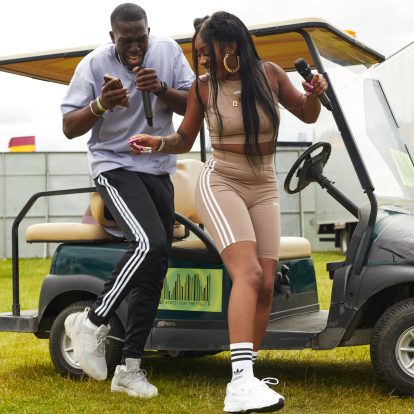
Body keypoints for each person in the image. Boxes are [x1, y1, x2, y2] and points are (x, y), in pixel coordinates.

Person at [129, 11, 328, 413]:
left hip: (264, 185)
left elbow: (307, 113)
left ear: (232, 45)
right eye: (198, 53)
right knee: (249, 273)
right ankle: (238, 383)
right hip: (221, 181)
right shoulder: (203, 88)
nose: (201, 59)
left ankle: (248, 377)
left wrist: (314, 94)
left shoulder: (270, 75)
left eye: (206, 51)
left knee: (267, 282)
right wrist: (157, 143)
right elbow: (184, 139)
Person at [60, 3, 195, 398]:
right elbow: (68, 127)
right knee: (148, 242)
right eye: (126, 41)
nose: (135, 47)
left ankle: (130, 369)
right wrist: (100, 104)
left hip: (158, 168)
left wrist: (162, 89)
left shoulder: (168, 51)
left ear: (149, 32)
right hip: (114, 165)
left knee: (156, 265)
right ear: (112, 37)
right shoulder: (93, 64)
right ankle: (91, 322)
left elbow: (194, 107)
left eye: (141, 39)